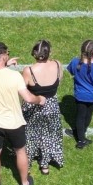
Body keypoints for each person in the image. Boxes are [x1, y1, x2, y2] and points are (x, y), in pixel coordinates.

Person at [0, 42, 46, 185]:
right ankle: (24, 183)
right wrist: (40, 99)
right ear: (4, 56)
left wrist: (5, 64)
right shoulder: (15, 76)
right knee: (21, 152)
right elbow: (29, 98)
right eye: (7, 54)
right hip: (14, 124)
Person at [21, 40, 64, 177]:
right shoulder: (57, 65)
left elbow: (23, 90)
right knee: (48, 135)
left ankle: (27, 164)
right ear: (49, 53)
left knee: (29, 135)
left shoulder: (28, 71)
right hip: (52, 106)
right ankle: (44, 164)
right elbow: (59, 82)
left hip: (33, 106)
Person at [67, 41, 93, 150]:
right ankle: (81, 139)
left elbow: (71, 71)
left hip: (79, 95)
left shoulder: (75, 62)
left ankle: (78, 134)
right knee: (88, 115)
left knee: (80, 116)